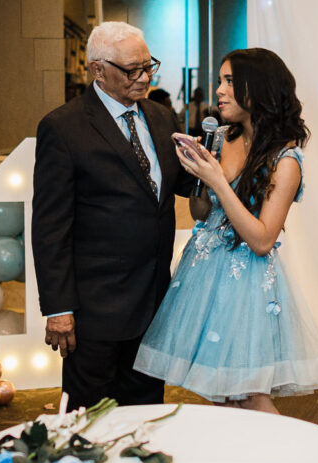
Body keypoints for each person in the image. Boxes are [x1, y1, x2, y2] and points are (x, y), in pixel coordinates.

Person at [134, 48, 318, 413]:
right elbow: (201, 212)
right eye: (219, 81)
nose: (219, 91)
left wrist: (217, 180)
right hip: (202, 274)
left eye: (229, 81)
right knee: (220, 391)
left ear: (257, 89)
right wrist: (199, 175)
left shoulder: (285, 160)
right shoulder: (223, 138)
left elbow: (262, 240)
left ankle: (289, 450)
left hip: (245, 284)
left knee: (249, 394)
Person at [32, 21, 196, 411]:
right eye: (132, 70)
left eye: (148, 66)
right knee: (89, 417)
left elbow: (181, 185)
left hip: (153, 300)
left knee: (147, 412)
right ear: (98, 70)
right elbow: (51, 226)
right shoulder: (63, 127)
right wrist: (59, 308)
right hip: (96, 309)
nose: (144, 78)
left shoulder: (161, 117)